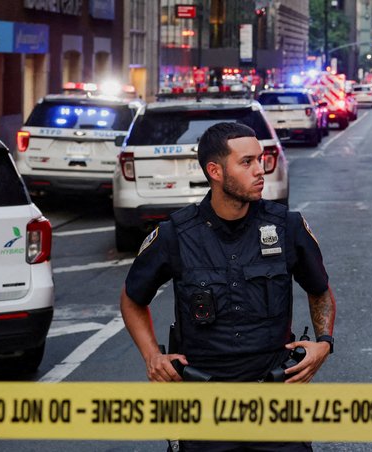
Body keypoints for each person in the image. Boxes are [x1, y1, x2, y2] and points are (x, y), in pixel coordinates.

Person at [120, 122, 336, 451]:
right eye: (246, 162)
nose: (260, 170)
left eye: (261, 159)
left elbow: (320, 290)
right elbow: (132, 299)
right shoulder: (176, 235)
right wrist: (152, 356)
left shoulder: (286, 227)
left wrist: (324, 343)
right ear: (215, 171)